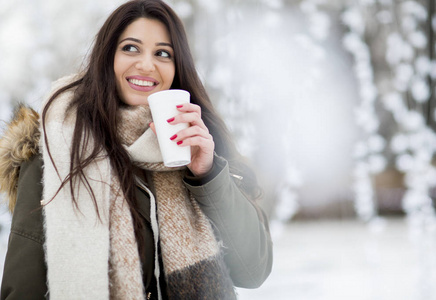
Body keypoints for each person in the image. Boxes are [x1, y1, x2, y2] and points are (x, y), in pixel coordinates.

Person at [0, 0, 272, 299]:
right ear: (107, 58)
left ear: (177, 68)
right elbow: (24, 286)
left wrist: (207, 177)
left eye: (162, 53)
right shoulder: (57, 149)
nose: (146, 64)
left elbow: (252, 270)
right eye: (130, 48)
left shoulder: (198, 145)